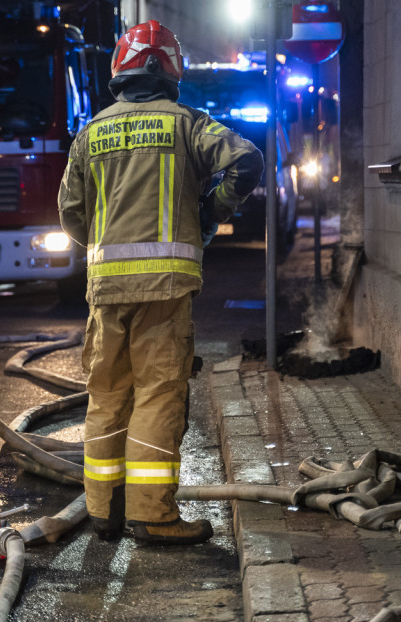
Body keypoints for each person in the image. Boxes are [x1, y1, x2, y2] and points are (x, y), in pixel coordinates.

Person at [57, 20, 264, 546]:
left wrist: (103, 246)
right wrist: (211, 212)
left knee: (106, 395)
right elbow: (246, 160)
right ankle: (152, 515)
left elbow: (71, 213)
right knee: (157, 395)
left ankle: (104, 513)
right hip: (165, 288)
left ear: (120, 71)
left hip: (106, 293)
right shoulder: (187, 124)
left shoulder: (90, 133)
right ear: (170, 69)